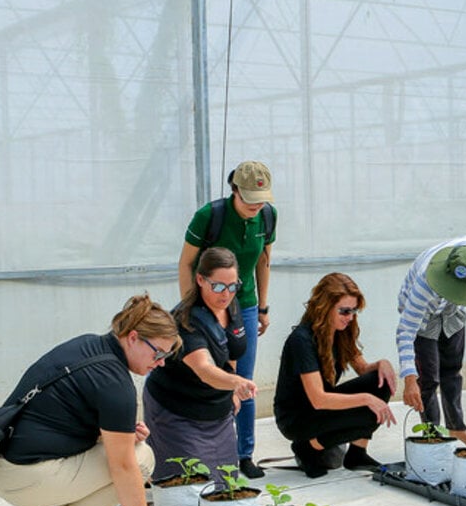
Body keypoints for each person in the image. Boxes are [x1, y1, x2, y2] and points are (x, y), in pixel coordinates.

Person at [0, 294, 180, 506]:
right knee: (141, 459)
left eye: (166, 356)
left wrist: (117, 433)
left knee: (124, 449)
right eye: (158, 353)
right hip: (24, 479)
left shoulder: (88, 345)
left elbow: (61, 417)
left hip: (1, 465)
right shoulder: (116, 384)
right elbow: (124, 468)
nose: (160, 363)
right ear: (133, 337)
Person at [179, 160, 276, 478]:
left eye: (261, 198)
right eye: (248, 198)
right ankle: (201, 452)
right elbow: (186, 263)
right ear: (234, 190)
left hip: (244, 304)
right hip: (206, 302)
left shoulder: (268, 216)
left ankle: (243, 453)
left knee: (242, 381)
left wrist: (262, 307)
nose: (255, 205)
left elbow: (264, 260)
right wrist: (189, 309)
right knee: (205, 376)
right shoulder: (211, 216)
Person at [144, 247, 258, 483]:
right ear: (200, 279)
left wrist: (232, 392)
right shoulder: (186, 320)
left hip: (215, 410)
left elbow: (231, 352)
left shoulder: (231, 306)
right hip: (177, 411)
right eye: (218, 286)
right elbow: (205, 369)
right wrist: (235, 383)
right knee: (189, 485)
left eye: (232, 286)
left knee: (227, 483)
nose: (225, 294)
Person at [274, 272, 397, 478]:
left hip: (321, 410)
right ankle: (308, 447)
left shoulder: (341, 331)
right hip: (297, 418)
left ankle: (357, 454)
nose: (350, 317)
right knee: (368, 411)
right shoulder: (301, 340)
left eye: (354, 311)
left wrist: (382, 364)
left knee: (380, 382)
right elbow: (318, 399)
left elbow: (363, 368)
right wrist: (367, 399)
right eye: (344, 311)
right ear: (325, 307)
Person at [395, 238, 466, 448]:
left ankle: (457, 426)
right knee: (428, 378)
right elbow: (405, 331)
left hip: (452, 312)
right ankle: (433, 434)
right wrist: (409, 378)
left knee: (452, 370)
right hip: (425, 317)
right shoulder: (423, 287)